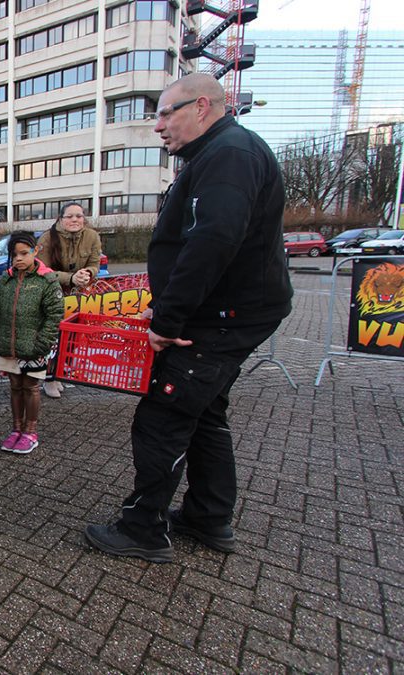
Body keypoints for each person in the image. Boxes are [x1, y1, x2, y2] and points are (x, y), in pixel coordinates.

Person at [84, 74, 293, 563]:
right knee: (204, 412)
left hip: (221, 317)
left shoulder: (230, 155)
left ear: (202, 107)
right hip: (223, 311)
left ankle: (143, 528)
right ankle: (208, 516)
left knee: (164, 416)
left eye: (165, 113)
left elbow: (213, 241)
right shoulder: (218, 154)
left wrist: (168, 321)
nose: (158, 126)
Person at [0, 230, 64, 454]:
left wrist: (42, 344)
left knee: (30, 387)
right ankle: (16, 429)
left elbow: (54, 315)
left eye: (24, 253)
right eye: (14, 254)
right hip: (8, 346)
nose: (19, 258)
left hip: (34, 348)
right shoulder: (6, 280)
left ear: (35, 251)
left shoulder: (47, 281)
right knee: (15, 386)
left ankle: (31, 432)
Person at [36, 202, 102, 399]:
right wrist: (69, 278)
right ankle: (49, 378)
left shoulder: (92, 236)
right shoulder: (47, 238)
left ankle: (60, 373)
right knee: (53, 338)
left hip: (78, 295)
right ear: (61, 218)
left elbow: (94, 263)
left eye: (79, 216)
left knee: (72, 337)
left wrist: (87, 273)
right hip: (52, 295)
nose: (75, 220)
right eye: (70, 216)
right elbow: (41, 270)